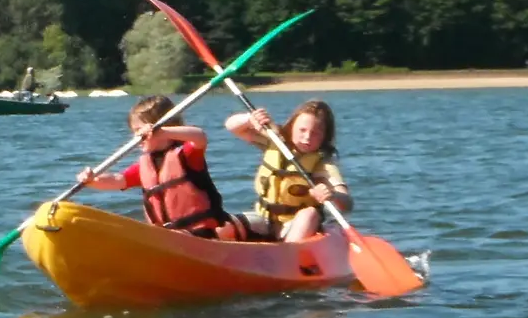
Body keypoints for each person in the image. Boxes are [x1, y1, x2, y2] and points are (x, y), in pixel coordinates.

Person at [75, 95, 247, 239]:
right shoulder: (145, 165)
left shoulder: (187, 154)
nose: (136, 137)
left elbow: (199, 137)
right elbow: (117, 180)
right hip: (170, 236)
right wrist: (93, 180)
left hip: (203, 234)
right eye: (134, 131)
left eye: (139, 131)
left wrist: (161, 131)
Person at [223, 98, 350, 243]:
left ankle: (288, 253)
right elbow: (231, 126)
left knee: (310, 214)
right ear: (291, 127)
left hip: (296, 226)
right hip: (264, 220)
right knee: (223, 227)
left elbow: (346, 203)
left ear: (324, 137)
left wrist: (332, 195)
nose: (307, 137)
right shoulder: (275, 140)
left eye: (315, 133)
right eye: (302, 130)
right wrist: (250, 119)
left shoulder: (323, 164)